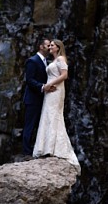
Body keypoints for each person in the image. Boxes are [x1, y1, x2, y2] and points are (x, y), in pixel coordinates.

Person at [32, 38, 80, 171]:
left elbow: (65, 75)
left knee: (54, 115)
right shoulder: (54, 60)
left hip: (56, 90)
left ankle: (53, 147)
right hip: (50, 90)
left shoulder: (61, 59)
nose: (50, 47)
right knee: (47, 114)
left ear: (58, 47)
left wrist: (49, 84)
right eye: (49, 45)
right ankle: (46, 146)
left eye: (52, 45)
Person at [22, 36, 51, 155]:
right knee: (30, 125)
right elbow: (29, 80)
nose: (50, 47)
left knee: (39, 125)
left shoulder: (46, 62)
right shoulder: (32, 61)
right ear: (41, 46)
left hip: (41, 99)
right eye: (47, 45)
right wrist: (43, 86)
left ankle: (36, 149)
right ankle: (26, 152)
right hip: (33, 99)